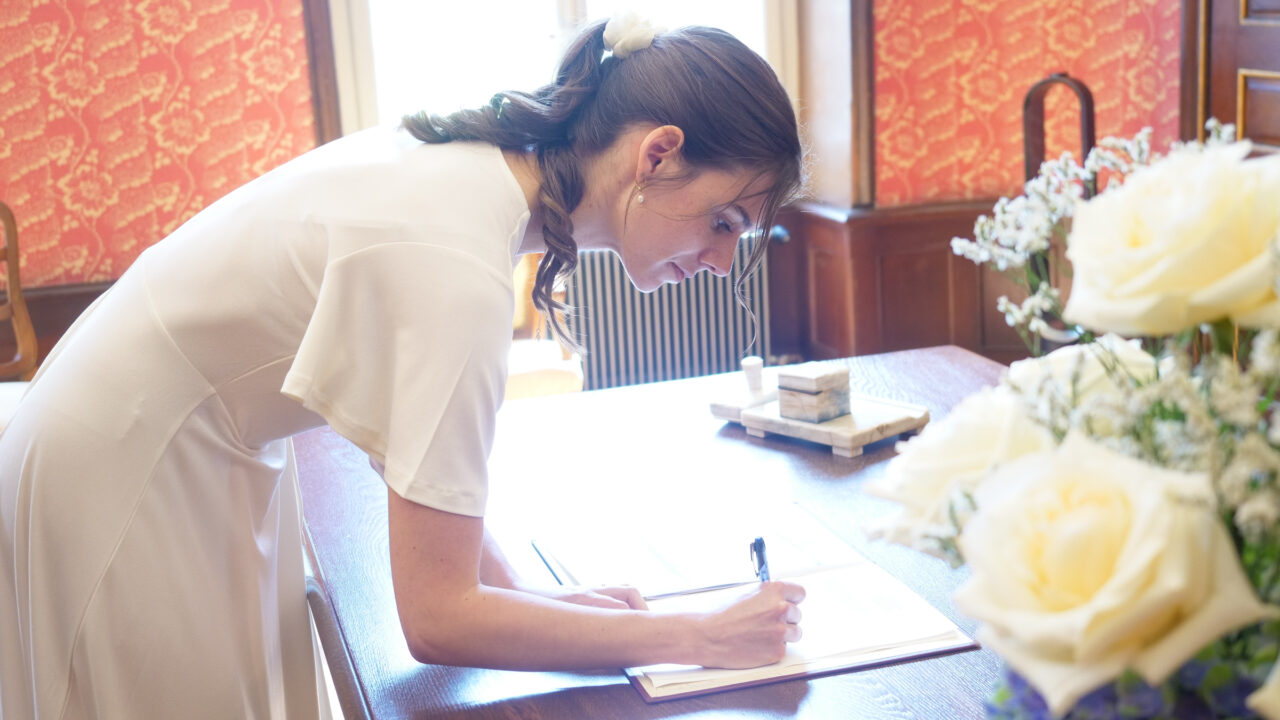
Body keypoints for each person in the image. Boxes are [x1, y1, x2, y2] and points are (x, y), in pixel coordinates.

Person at [0, 14, 805, 719]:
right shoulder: (455, 261)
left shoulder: (473, 180)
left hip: (153, 437)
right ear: (657, 154)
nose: (722, 258)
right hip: (128, 466)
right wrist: (693, 635)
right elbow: (439, 620)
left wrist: (529, 595)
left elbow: (419, 468)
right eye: (725, 219)